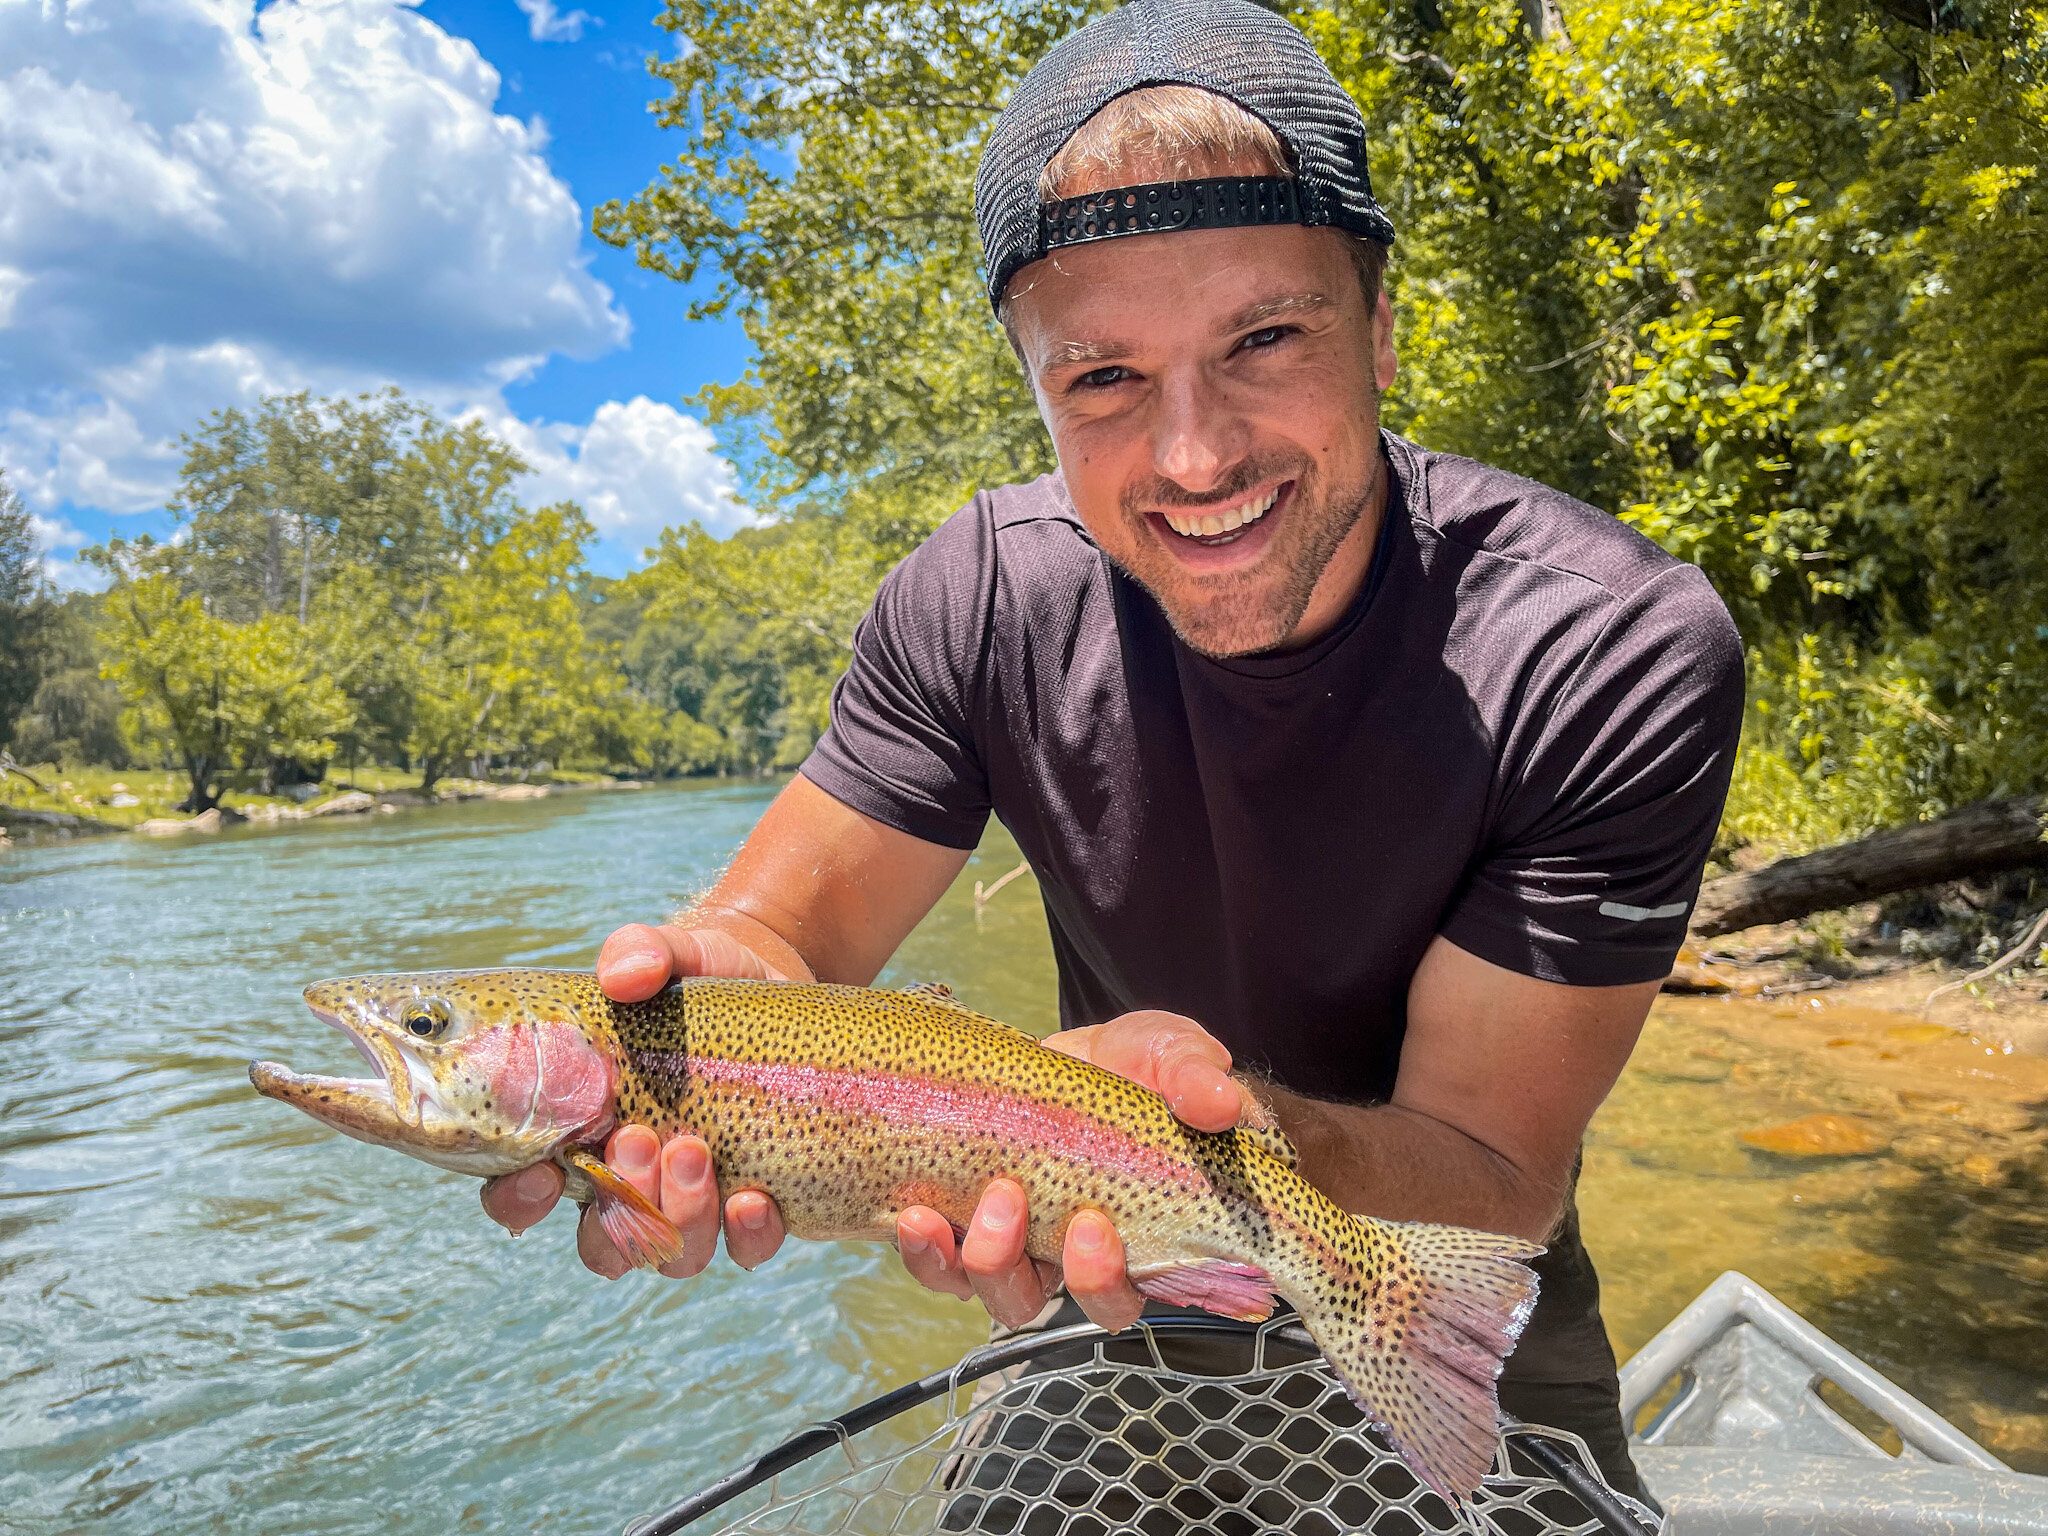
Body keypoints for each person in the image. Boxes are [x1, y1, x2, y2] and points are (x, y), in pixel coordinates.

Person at [483, 0, 1742, 1504]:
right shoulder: (979, 596)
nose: (1199, 455)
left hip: (1430, 1268)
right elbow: (772, 935)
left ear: (1385, 328)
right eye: (1104, 381)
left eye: (1266, 338)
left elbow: (1491, 1166)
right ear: (1035, 393)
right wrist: (699, 1060)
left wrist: (1153, 1134)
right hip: (1095, 1303)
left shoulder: (1606, 649)